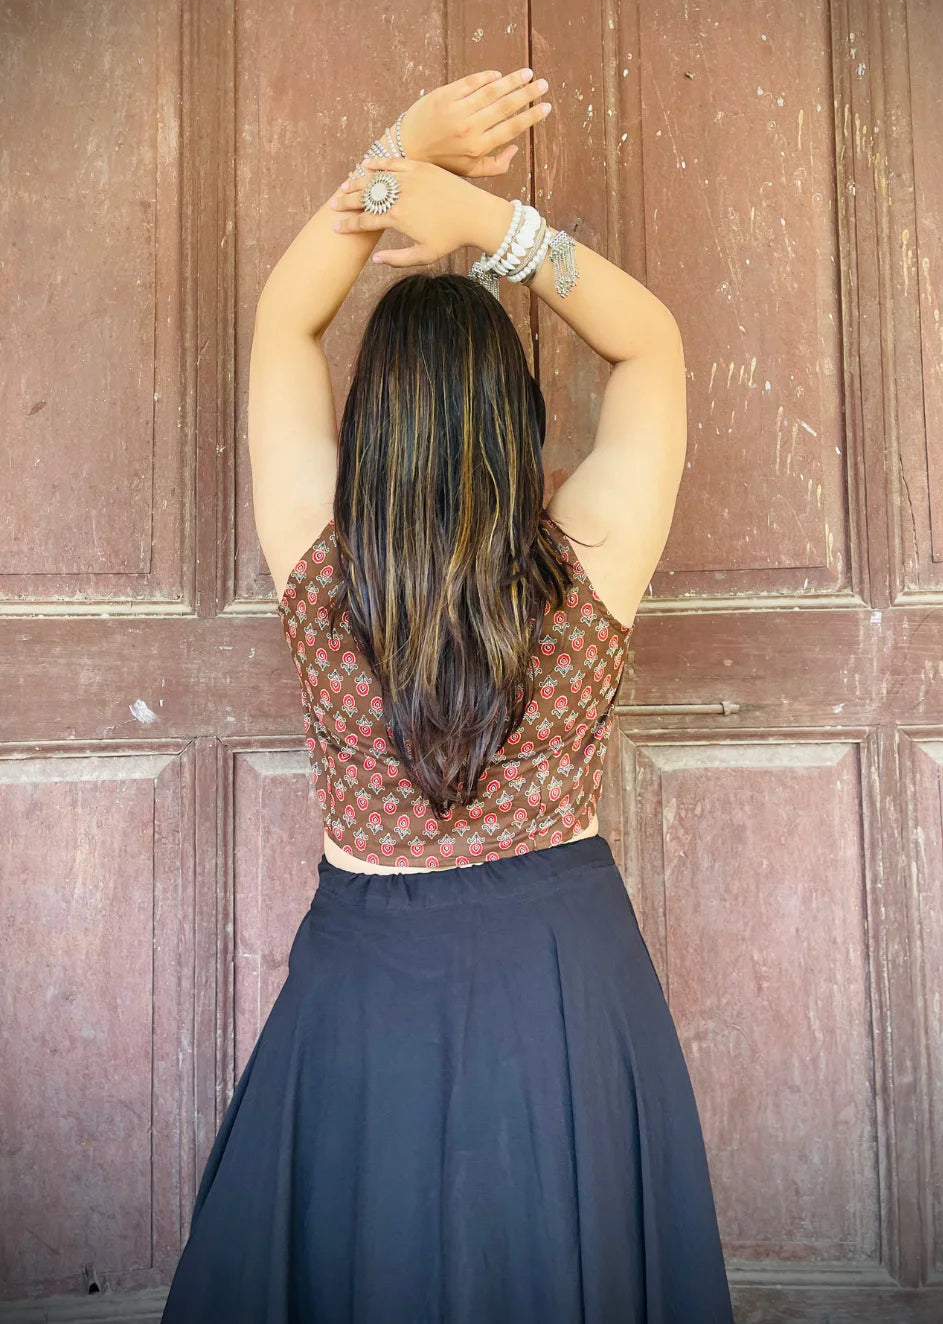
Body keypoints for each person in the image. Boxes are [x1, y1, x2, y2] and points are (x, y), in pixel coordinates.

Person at [161, 69, 734, 1322]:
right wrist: (491, 229)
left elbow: (279, 326)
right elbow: (651, 343)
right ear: (518, 419)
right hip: (566, 976)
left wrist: (394, 161)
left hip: (364, 979)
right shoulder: (586, 560)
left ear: (368, 422)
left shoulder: (320, 560)